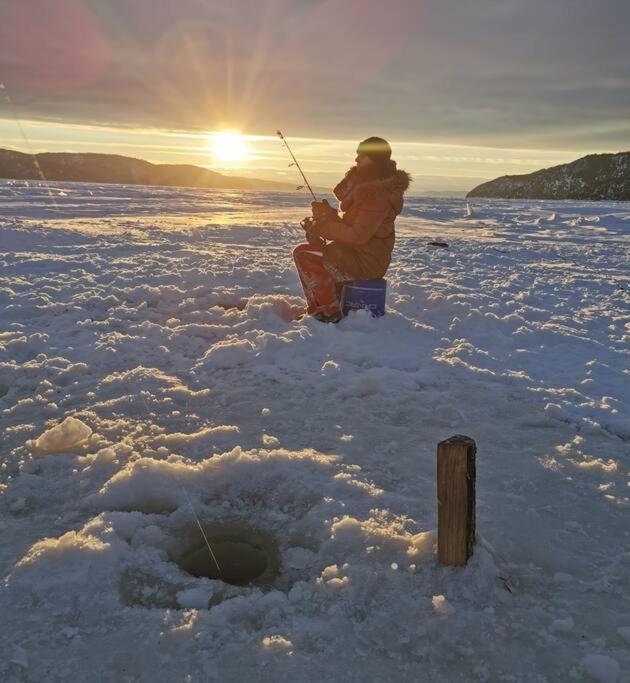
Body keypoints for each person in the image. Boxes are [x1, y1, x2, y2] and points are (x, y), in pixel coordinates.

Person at [293, 137, 411, 323]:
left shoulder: (377, 195)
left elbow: (357, 236)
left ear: (374, 161)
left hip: (365, 263)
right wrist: (327, 216)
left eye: (362, 156)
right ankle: (325, 306)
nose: (356, 160)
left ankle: (327, 312)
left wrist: (324, 227)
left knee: (304, 254)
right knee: (310, 252)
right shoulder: (371, 190)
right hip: (356, 255)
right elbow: (353, 228)